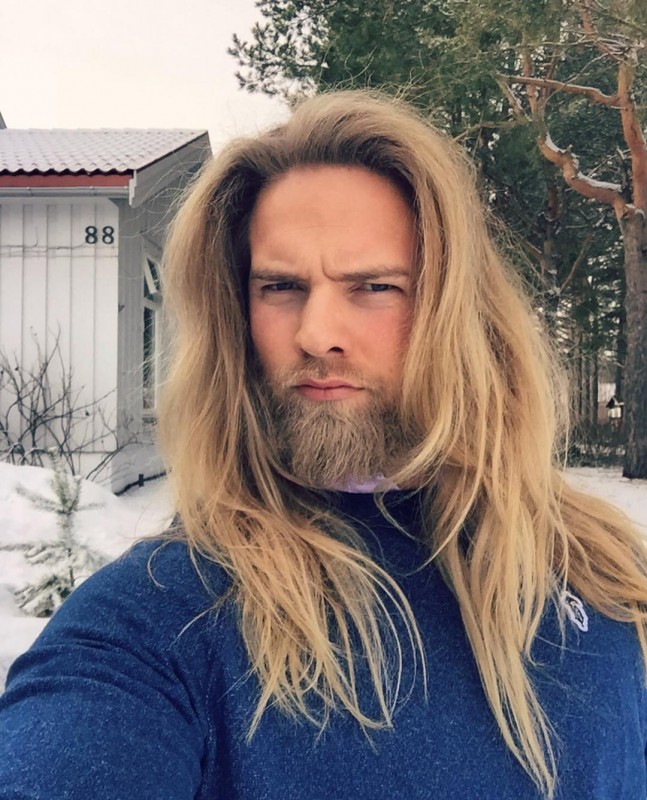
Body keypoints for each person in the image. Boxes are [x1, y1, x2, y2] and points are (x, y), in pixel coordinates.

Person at [1, 90, 646, 800]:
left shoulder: (603, 568)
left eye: (373, 286)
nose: (315, 334)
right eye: (281, 286)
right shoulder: (166, 618)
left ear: (456, 311)